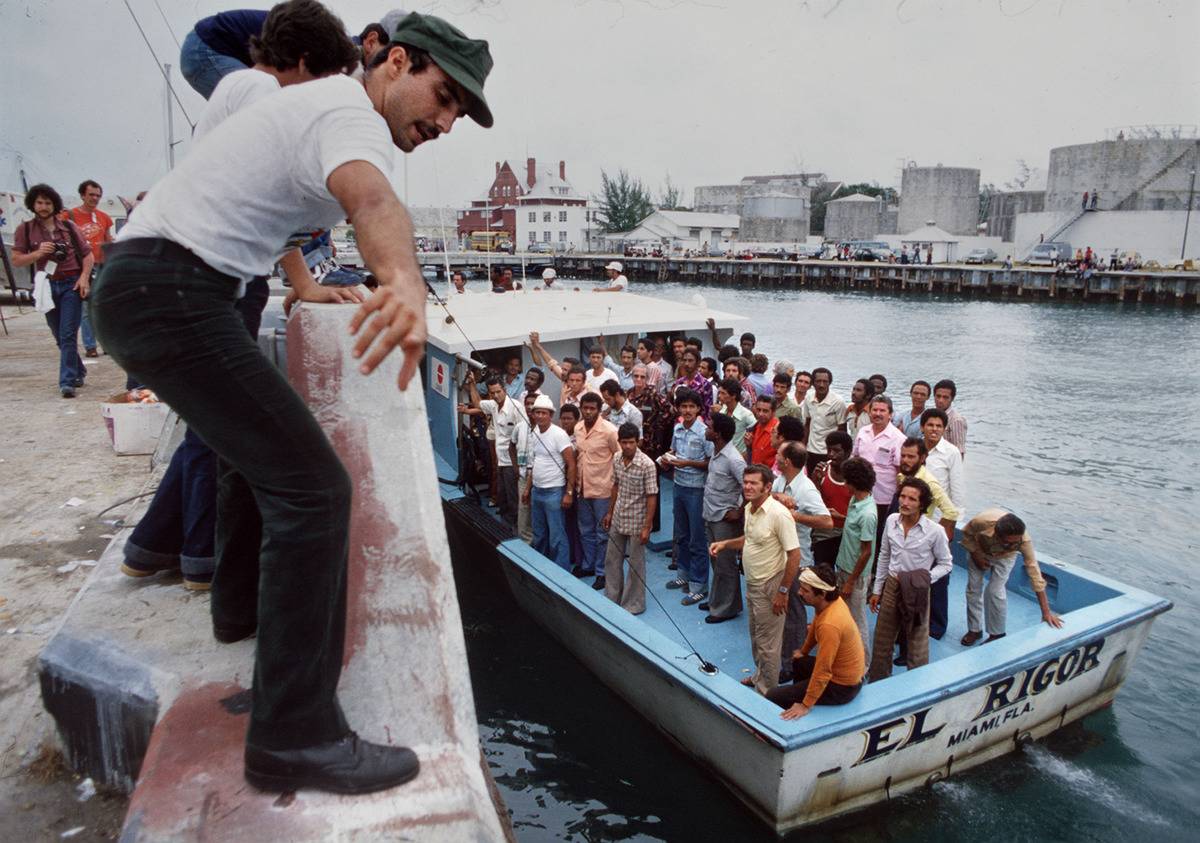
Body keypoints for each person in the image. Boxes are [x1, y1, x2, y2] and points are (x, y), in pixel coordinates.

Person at [92, 10, 495, 794]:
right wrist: (403, 282)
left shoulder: (289, 103)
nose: (445, 122)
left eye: (458, 114)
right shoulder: (352, 115)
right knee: (315, 491)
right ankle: (295, 736)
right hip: (175, 291)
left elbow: (248, 189)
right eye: (442, 96)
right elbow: (372, 201)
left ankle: (239, 617)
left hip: (152, 282)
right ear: (393, 61)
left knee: (258, 458)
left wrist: (303, 282)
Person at [708, 465, 801, 695]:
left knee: (769, 644)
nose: (747, 487)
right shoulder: (750, 508)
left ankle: (767, 692)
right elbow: (749, 539)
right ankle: (760, 676)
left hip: (770, 584)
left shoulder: (779, 515)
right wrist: (726, 544)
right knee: (756, 636)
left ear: (767, 487)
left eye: (754, 483)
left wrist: (783, 591)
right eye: (746, 482)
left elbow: (794, 555)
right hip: (752, 583)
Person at [11, 184, 93, 398]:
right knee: (58, 335)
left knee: (67, 334)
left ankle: (67, 382)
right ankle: (79, 370)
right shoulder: (25, 229)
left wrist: (84, 278)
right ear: (33, 204)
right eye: (39, 202)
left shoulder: (68, 226)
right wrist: (38, 253)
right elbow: (17, 260)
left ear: (54, 204)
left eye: (48, 202)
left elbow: (87, 255)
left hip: (70, 284)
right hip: (46, 285)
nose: (44, 206)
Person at [868, 478, 952, 681]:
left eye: (912, 499)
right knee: (883, 639)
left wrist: (925, 578)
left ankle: (916, 683)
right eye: (903, 497)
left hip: (917, 589)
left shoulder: (935, 531)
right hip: (892, 583)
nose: (905, 502)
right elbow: (884, 555)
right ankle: (878, 679)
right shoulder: (891, 521)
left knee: (917, 641)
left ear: (922, 504)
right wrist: (877, 590)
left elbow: (946, 563)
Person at [766, 565, 865, 718]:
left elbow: (823, 670)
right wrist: (804, 651)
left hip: (843, 687)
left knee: (773, 695)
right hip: (842, 674)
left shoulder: (830, 625)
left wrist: (805, 705)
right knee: (799, 661)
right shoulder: (832, 601)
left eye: (805, 591)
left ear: (822, 593)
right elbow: (815, 624)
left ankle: (797, 709)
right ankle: (798, 696)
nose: (799, 592)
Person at [771, 441, 833, 682]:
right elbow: (770, 496)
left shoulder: (806, 489)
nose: (775, 455)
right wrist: (778, 496)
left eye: (778, 453)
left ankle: (792, 664)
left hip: (797, 559)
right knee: (783, 612)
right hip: (778, 555)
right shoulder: (780, 482)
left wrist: (796, 515)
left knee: (795, 614)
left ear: (787, 461)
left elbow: (827, 521)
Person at [960, 510, 1063, 645]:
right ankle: (974, 630)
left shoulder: (1023, 542)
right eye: (1007, 542)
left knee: (995, 591)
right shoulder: (981, 522)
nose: (1011, 544)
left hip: (1006, 557)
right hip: (979, 549)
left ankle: (997, 634)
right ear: (997, 534)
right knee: (973, 589)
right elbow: (967, 535)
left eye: (1015, 542)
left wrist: (1046, 612)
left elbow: (1034, 572)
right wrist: (976, 555)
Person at [660, 389, 713, 601]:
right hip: (678, 486)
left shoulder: (704, 432)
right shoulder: (677, 429)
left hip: (696, 489)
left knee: (697, 538)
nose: (688, 410)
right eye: (684, 406)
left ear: (699, 409)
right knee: (681, 534)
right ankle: (684, 573)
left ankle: (699, 585)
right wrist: (667, 458)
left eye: (692, 406)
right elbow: (673, 451)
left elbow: (710, 463)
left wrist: (687, 463)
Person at [601, 422, 658, 614]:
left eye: (631, 442)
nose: (627, 446)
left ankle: (634, 603)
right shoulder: (616, 458)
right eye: (624, 442)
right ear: (619, 442)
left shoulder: (647, 465)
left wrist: (646, 527)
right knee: (612, 559)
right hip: (618, 516)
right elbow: (615, 486)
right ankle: (612, 596)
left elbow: (652, 497)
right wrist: (609, 512)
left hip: (637, 520)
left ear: (637, 442)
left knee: (635, 565)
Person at [458, 374, 524, 525]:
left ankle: (515, 531)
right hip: (501, 461)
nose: (496, 395)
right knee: (503, 497)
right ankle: (506, 526)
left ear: (505, 390)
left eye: (498, 392)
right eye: (492, 393)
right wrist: (473, 384)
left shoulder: (516, 408)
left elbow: (524, 438)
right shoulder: (493, 405)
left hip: (512, 464)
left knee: (513, 499)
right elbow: (477, 403)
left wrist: (519, 466)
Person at [701, 412, 746, 622]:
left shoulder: (733, 459)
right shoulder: (716, 452)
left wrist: (739, 511)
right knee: (715, 561)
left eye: (709, 426)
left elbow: (749, 489)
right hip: (711, 513)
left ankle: (726, 608)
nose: (706, 428)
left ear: (717, 434)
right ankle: (717, 600)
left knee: (725, 564)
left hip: (724, 519)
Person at [525, 395, 577, 571]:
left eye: (543, 413)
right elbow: (534, 462)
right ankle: (541, 567)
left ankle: (561, 570)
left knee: (557, 536)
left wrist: (568, 493)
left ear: (550, 415)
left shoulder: (559, 435)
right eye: (537, 412)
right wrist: (527, 489)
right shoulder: (535, 432)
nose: (540, 416)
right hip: (537, 491)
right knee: (539, 534)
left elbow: (571, 464)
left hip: (554, 492)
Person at [62, 180, 113, 357]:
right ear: (82, 195)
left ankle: (107, 343)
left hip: (100, 266)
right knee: (86, 308)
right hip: (81, 266)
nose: (95, 198)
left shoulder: (104, 217)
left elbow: (108, 241)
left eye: (98, 195)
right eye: (91, 194)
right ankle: (90, 346)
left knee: (103, 307)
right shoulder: (69, 216)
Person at [574, 392, 620, 589]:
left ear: (599, 410)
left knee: (603, 534)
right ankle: (589, 565)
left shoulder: (610, 431)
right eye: (585, 408)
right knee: (585, 531)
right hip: (582, 488)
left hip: (603, 489)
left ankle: (602, 572)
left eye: (592, 408)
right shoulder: (578, 428)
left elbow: (618, 458)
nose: (588, 411)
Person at [852, 395, 906, 558]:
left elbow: (900, 471)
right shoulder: (863, 432)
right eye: (874, 409)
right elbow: (854, 458)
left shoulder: (898, 438)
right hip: (861, 494)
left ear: (890, 414)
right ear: (869, 412)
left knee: (878, 537)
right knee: (858, 532)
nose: (878, 413)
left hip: (884, 499)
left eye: (882, 410)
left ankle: (874, 571)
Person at [833, 457, 876, 654]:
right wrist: (840, 517)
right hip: (843, 566)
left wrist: (850, 581)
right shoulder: (855, 501)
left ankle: (863, 665)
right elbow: (854, 528)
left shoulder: (867, 514)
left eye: (847, 481)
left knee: (857, 620)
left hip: (854, 575)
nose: (844, 484)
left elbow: (866, 551)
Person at [809, 431, 853, 566]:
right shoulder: (821, 471)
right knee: (821, 575)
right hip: (824, 532)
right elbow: (812, 501)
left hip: (848, 532)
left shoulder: (856, 476)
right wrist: (815, 480)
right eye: (829, 450)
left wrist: (842, 518)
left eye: (836, 451)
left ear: (848, 452)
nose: (831, 454)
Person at [800, 367, 848, 475]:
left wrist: (839, 454)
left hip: (828, 453)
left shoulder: (838, 402)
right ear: (813, 383)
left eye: (825, 381)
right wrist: (803, 447)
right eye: (818, 381)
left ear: (829, 383)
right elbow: (807, 424)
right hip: (810, 451)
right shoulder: (808, 398)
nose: (821, 385)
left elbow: (842, 430)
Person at [920, 408, 965, 519]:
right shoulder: (915, 448)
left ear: (944, 429)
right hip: (913, 510)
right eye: (930, 425)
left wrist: (956, 518)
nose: (934, 429)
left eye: (939, 426)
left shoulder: (952, 452)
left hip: (937, 516)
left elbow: (957, 487)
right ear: (922, 427)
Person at [528, 331, 588, 407]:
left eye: (565, 370)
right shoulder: (565, 379)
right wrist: (537, 345)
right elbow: (551, 363)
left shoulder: (587, 389)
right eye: (562, 369)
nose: (562, 372)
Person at [513, 391, 538, 543]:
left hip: (540, 479)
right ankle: (525, 544)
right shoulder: (520, 426)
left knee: (538, 513)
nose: (529, 407)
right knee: (523, 510)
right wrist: (515, 466)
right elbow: (511, 445)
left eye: (533, 404)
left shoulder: (546, 428)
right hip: (523, 475)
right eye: (527, 404)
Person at [714, 377, 756, 457]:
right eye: (719, 393)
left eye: (723, 393)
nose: (719, 396)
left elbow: (755, 436)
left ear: (733, 396)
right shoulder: (722, 411)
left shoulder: (746, 415)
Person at [669, 347, 712, 420]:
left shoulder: (705, 384)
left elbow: (708, 411)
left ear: (698, 362)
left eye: (690, 360)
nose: (686, 363)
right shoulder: (678, 383)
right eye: (684, 360)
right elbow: (672, 405)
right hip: (680, 425)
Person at [933, 378, 968, 457]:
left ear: (952, 399)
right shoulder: (932, 416)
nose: (940, 400)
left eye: (945, 397)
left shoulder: (956, 420)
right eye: (938, 396)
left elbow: (959, 451)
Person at [745, 395, 779, 467]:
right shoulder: (754, 428)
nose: (760, 414)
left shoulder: (778, 431)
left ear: (773, 412)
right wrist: (749, 446)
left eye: (765, 411)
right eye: (758, 410)